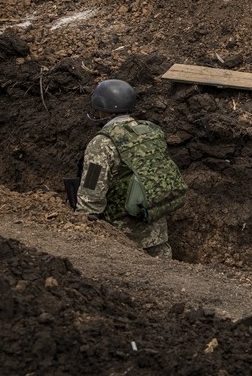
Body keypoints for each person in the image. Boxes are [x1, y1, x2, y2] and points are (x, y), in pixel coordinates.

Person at [75, 79, 177, 258]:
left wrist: (79, 227)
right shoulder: (151, 132)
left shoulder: (102, 143)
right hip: (158, 238)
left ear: (102, 108)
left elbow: (91, 194)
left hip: (122, 242)